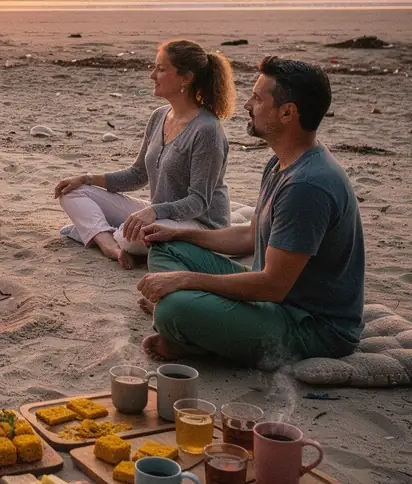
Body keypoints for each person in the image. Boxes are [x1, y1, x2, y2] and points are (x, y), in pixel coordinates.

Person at [137, 56, 364, 368]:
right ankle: (201, 328)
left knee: (172, 310)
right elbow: (247, 235)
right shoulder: (280, 163)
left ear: (287, 113)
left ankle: (196, 335)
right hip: (269, 295)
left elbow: (272, 286)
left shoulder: (307, 186)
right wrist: (180, 233)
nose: (246, 104)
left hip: (308, 325)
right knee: (166, 247)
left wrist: (186, 280)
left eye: (257, 98)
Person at [55, 40, 235, 268]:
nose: (152, 75)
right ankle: (108, 244)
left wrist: (153, 211)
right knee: (72, 191)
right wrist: (87, 178)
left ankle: (98, 232)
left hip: (201, 225)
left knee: (132, 237)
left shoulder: (207, 130)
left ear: (185, 78)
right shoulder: (159, 116)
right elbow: (137, 174)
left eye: (161, 69)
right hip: (159, 214)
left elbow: (199, 201)